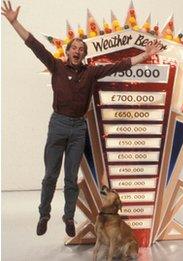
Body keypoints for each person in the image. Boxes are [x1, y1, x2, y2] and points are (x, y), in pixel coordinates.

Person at [1, 0, 165, 237]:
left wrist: (146, 54)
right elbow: (33, 45)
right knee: (50, 176)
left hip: (78, 128)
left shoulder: (91, 72)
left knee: (70, 179)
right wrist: (15, 22)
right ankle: (44, 215)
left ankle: (68, 218)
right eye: (74, 47)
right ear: (67, 52)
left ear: (83, 54)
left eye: (81, 48)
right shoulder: (56, 66)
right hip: (57, 125)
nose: (77, 50)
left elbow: (120, 65)